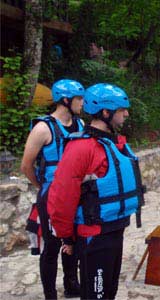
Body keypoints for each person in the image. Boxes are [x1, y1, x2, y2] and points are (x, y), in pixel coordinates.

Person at [47, 83, 144, 300]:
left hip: (115, 230)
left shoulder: (113, 144)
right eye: (122, 110)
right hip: (94, 234)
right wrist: (67, 238)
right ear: (106, 112)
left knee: (108, 292)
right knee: (96, 295)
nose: (126, 114)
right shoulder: (81, 148)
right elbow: (62, 196)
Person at [20, 79, 84, 299]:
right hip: (52, 196)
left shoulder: (81, 125)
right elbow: (26, 165)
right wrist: (41, 187)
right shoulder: (42, 128)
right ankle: (50, 293)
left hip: (75, 195)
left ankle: (71, 284)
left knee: (72, 242)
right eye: (79, 98)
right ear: (66, 100)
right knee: (52, 246)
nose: (82, 102)